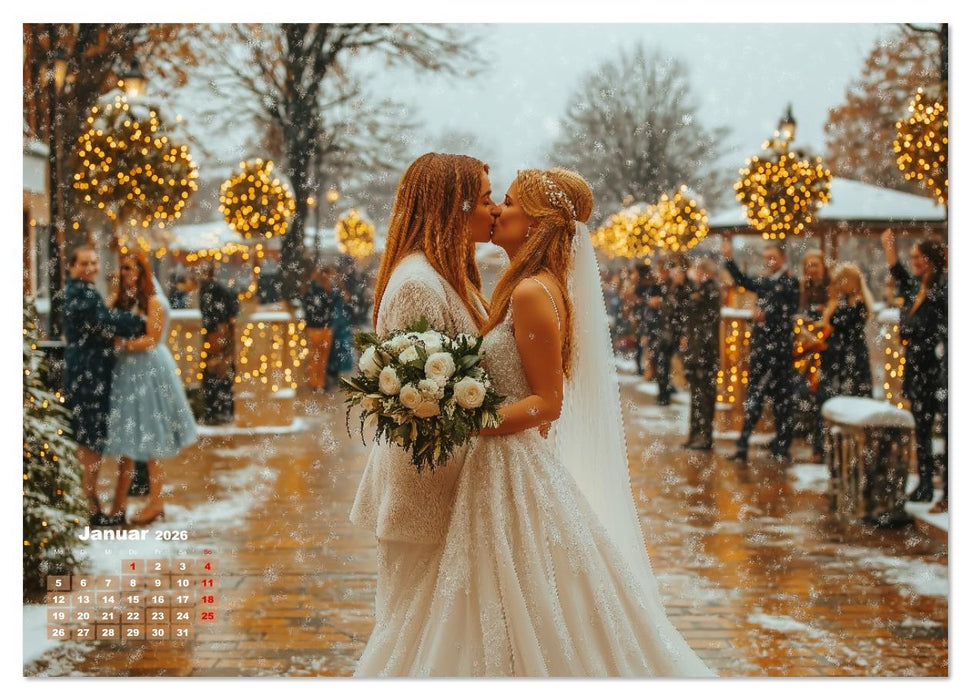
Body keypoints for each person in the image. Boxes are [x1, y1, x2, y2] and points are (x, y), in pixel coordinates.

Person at [354, 167, 714, 677]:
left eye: (507, 202)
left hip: (503, 460)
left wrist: (470, 418)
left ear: (539, 223)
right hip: (498, 464)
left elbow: (548, 401)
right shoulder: (522, 286)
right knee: (506, 592)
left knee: (506, 592)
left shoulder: (529, 293)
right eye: (491, 200)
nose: (497, 210)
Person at [350, 153, 498, 673]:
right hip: (426, 492)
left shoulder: (443, 274)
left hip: (449, 486)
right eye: (483, 199)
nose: (494, 210)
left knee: (440, 636)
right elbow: (419, 406)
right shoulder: (418, 283)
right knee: (413, 636)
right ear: (452, 207)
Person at [102, 251, 198, 525]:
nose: (124, 273)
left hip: (149, 372)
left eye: (130, 268)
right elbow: (107, 323)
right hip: (126, 373)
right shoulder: (120, 300)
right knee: (126, 440)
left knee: (152, 438)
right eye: (122, 268)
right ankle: (119, 504)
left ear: (142, 272)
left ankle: (156, 501)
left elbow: (153, 339)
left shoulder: (154, 302)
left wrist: (126, 344)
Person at [61, 245, 145, 526]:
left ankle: (89, 499)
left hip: (89, 370)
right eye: (84, 263)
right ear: (72, 267)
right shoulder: (79, 294)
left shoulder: (82, 291)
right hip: (87, 372)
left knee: (90, 436)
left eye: (94, 263)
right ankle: (89, 502)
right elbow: (104, 322)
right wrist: (138, 322)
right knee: (89, 437)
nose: (90, 268)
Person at [881, 229, 947, 508]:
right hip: (917, 365)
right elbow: (899, 274)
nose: (914, 261)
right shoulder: (917, 287)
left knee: (942, 429)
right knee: (920, 428)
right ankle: (923, 483)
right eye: (912, 257)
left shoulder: (941, 289)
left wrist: (917, 332)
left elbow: (939, 326)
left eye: (918, 257)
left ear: (930, 259)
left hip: (935, 365)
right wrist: (889, 249)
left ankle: (946, 488)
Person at [721, 237, 800, 463]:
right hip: (763, 349)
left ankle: (780, 446)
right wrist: (729, 260)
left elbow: (789, 310)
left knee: (780, 400)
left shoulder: (789, 282)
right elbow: (745, 282)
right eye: (766, 258)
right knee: (756, 396)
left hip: (779, 351)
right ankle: (745, 444)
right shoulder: (767, 280)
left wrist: (769, 316)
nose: (769, 261)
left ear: (783, 258)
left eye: (772, 257)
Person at [814, 262, 874, 448]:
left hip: (850, 357)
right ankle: (827, 444)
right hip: (836, 356)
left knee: (851, 396)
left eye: (840, 281)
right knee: (829, 397)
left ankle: (850, 444)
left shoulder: (857, 304)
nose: (837, 285)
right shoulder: (839, 302)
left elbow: (846, 324)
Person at [682, 258, 722, 451]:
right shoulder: (699, 290)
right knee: (697, 397)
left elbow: (704, 317)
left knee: (705, 397)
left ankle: (704, 437)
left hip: (706, 353)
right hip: (696, 351)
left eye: (700, 271)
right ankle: (695, 434)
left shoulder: (711, 290)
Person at [199, 263, 240, 425]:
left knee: (216, 371)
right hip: (218, 332)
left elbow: (214, 312)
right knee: (221, 371)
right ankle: (222, 410)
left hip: (215, 333)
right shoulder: (216, 289)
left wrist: (217, 328)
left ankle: (217, 411)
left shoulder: (210, 289)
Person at [301, 266, 337, 391]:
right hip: (321, 327)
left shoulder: (313, 289)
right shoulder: (322, 290)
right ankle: (317, 382)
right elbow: (327, 308)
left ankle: (317, 382)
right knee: (319, 358)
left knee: (318, 357)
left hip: (318, 327)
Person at [325, 269, 355, 389]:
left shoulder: (338, 287)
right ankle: (331, 373)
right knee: (332, 347)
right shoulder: (327, 287)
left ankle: (334, 373)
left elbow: (347, 298)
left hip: (340, 320)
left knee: (339, 347)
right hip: (334, 320)